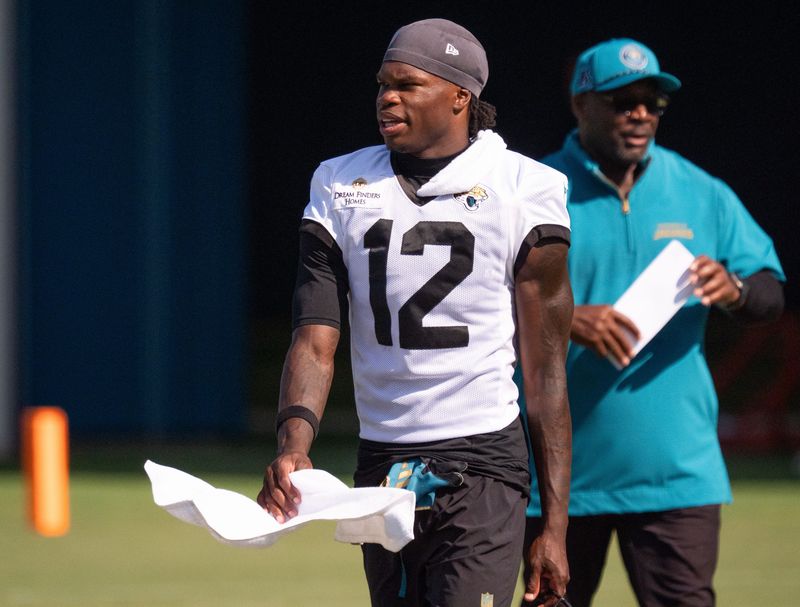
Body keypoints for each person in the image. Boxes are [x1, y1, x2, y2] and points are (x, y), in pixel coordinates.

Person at [256, 18, 574, 607]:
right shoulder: (339, 181)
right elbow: (315, 337)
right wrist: (292, 443)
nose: (387, 97)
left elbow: (546, 369)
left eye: (407, 84)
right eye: (382, 83)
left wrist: (553, 525)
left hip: (482, 456)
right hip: (381, 457)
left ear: (461, 96)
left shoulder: (527, 188)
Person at [518, 38, 786, 606]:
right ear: (579, 104)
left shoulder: (701, 192)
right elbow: (476, 307)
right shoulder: (531, 190)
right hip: (557, 481)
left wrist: (734, 290)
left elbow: (769, 292)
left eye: (653, 102)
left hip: (675, 472)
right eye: (622, 100)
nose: (640, 113)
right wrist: (561, 321)